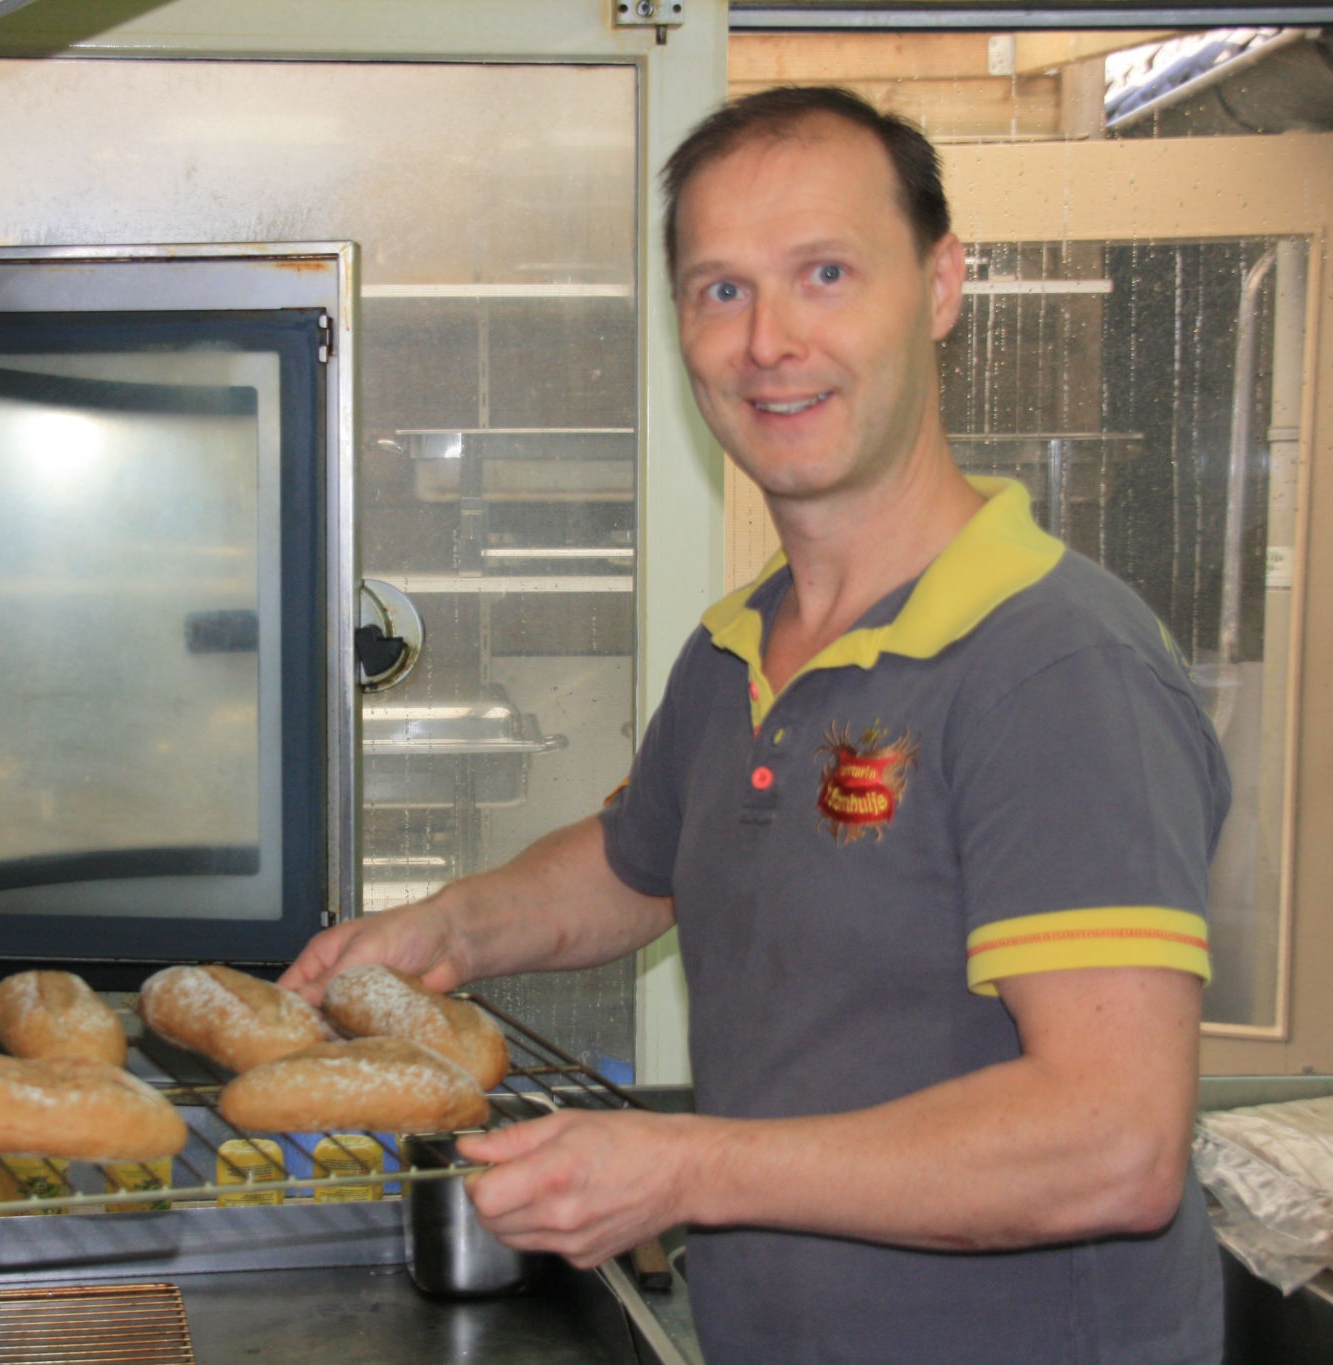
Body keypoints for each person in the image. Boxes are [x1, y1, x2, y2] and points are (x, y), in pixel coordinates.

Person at [282, 86, 1230, 1363]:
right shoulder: (741, 645)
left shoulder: (1053, 668)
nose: (767, 342)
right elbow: (636, 866)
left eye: (823, 273)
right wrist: (444, 927)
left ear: (941, 286)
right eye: (719, 290)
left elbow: (1110, 1147)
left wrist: (680, 1169)